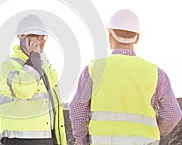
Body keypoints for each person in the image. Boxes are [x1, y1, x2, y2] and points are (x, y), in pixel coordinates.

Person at [69, 9, 182, 145]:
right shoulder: (156, 74)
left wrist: (82, 139)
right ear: (137, 38)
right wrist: (152, 133)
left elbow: (77, 108)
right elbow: (173, 114)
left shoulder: (94, 70)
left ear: (110, 36)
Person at [0, 14, 67, 145]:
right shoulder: (9, 65)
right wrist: (33, 63)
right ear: (22, 37)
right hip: (20, 140)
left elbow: (55, 108)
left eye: (44, 37)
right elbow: (24, 91)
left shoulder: (45, 66)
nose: (43, 41)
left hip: (47, 138)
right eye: (38, 37)